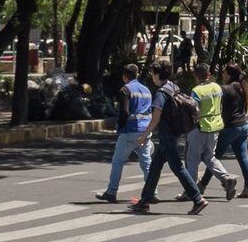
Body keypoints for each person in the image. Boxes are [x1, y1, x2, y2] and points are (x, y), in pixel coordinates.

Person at [132, 60, 206, 214]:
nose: (152, 76)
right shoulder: (173, 86)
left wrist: (144, 136)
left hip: (167, 136)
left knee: (178, 168)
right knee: (155, 167)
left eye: (153, 73)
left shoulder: (160, 93)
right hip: (175, 133)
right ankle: (145, 201)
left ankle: (198, 199)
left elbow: (156, 118)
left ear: (157, 74)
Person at [97, 62, 154, 203]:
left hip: (130, 131)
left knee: (118, 161)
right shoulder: (146, 90)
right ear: (137, 74)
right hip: (145, 131)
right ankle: (153, 192)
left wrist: (119, 127)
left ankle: (111, 192)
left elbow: (124, 112)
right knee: (146, 163)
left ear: (124, 76)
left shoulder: (125, 90)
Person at [203, 62, 248, 200]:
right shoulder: (241, 87)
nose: (222, 75)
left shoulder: (226, 89)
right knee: (243, 157)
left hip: (230, 128)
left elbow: (214, 94)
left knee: (213, 158)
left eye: (224, 73)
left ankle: (201, 185)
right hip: (243, 126)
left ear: (230, 75)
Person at [185, 62, 235, 199]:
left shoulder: (196, 91)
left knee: (192, 161)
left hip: (200, 127)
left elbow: (194, 110)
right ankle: (226, 178)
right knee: (209, 157)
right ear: (209, 75)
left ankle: (191, 191)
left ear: (196, 75)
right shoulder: (217, 87)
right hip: (215, 127)